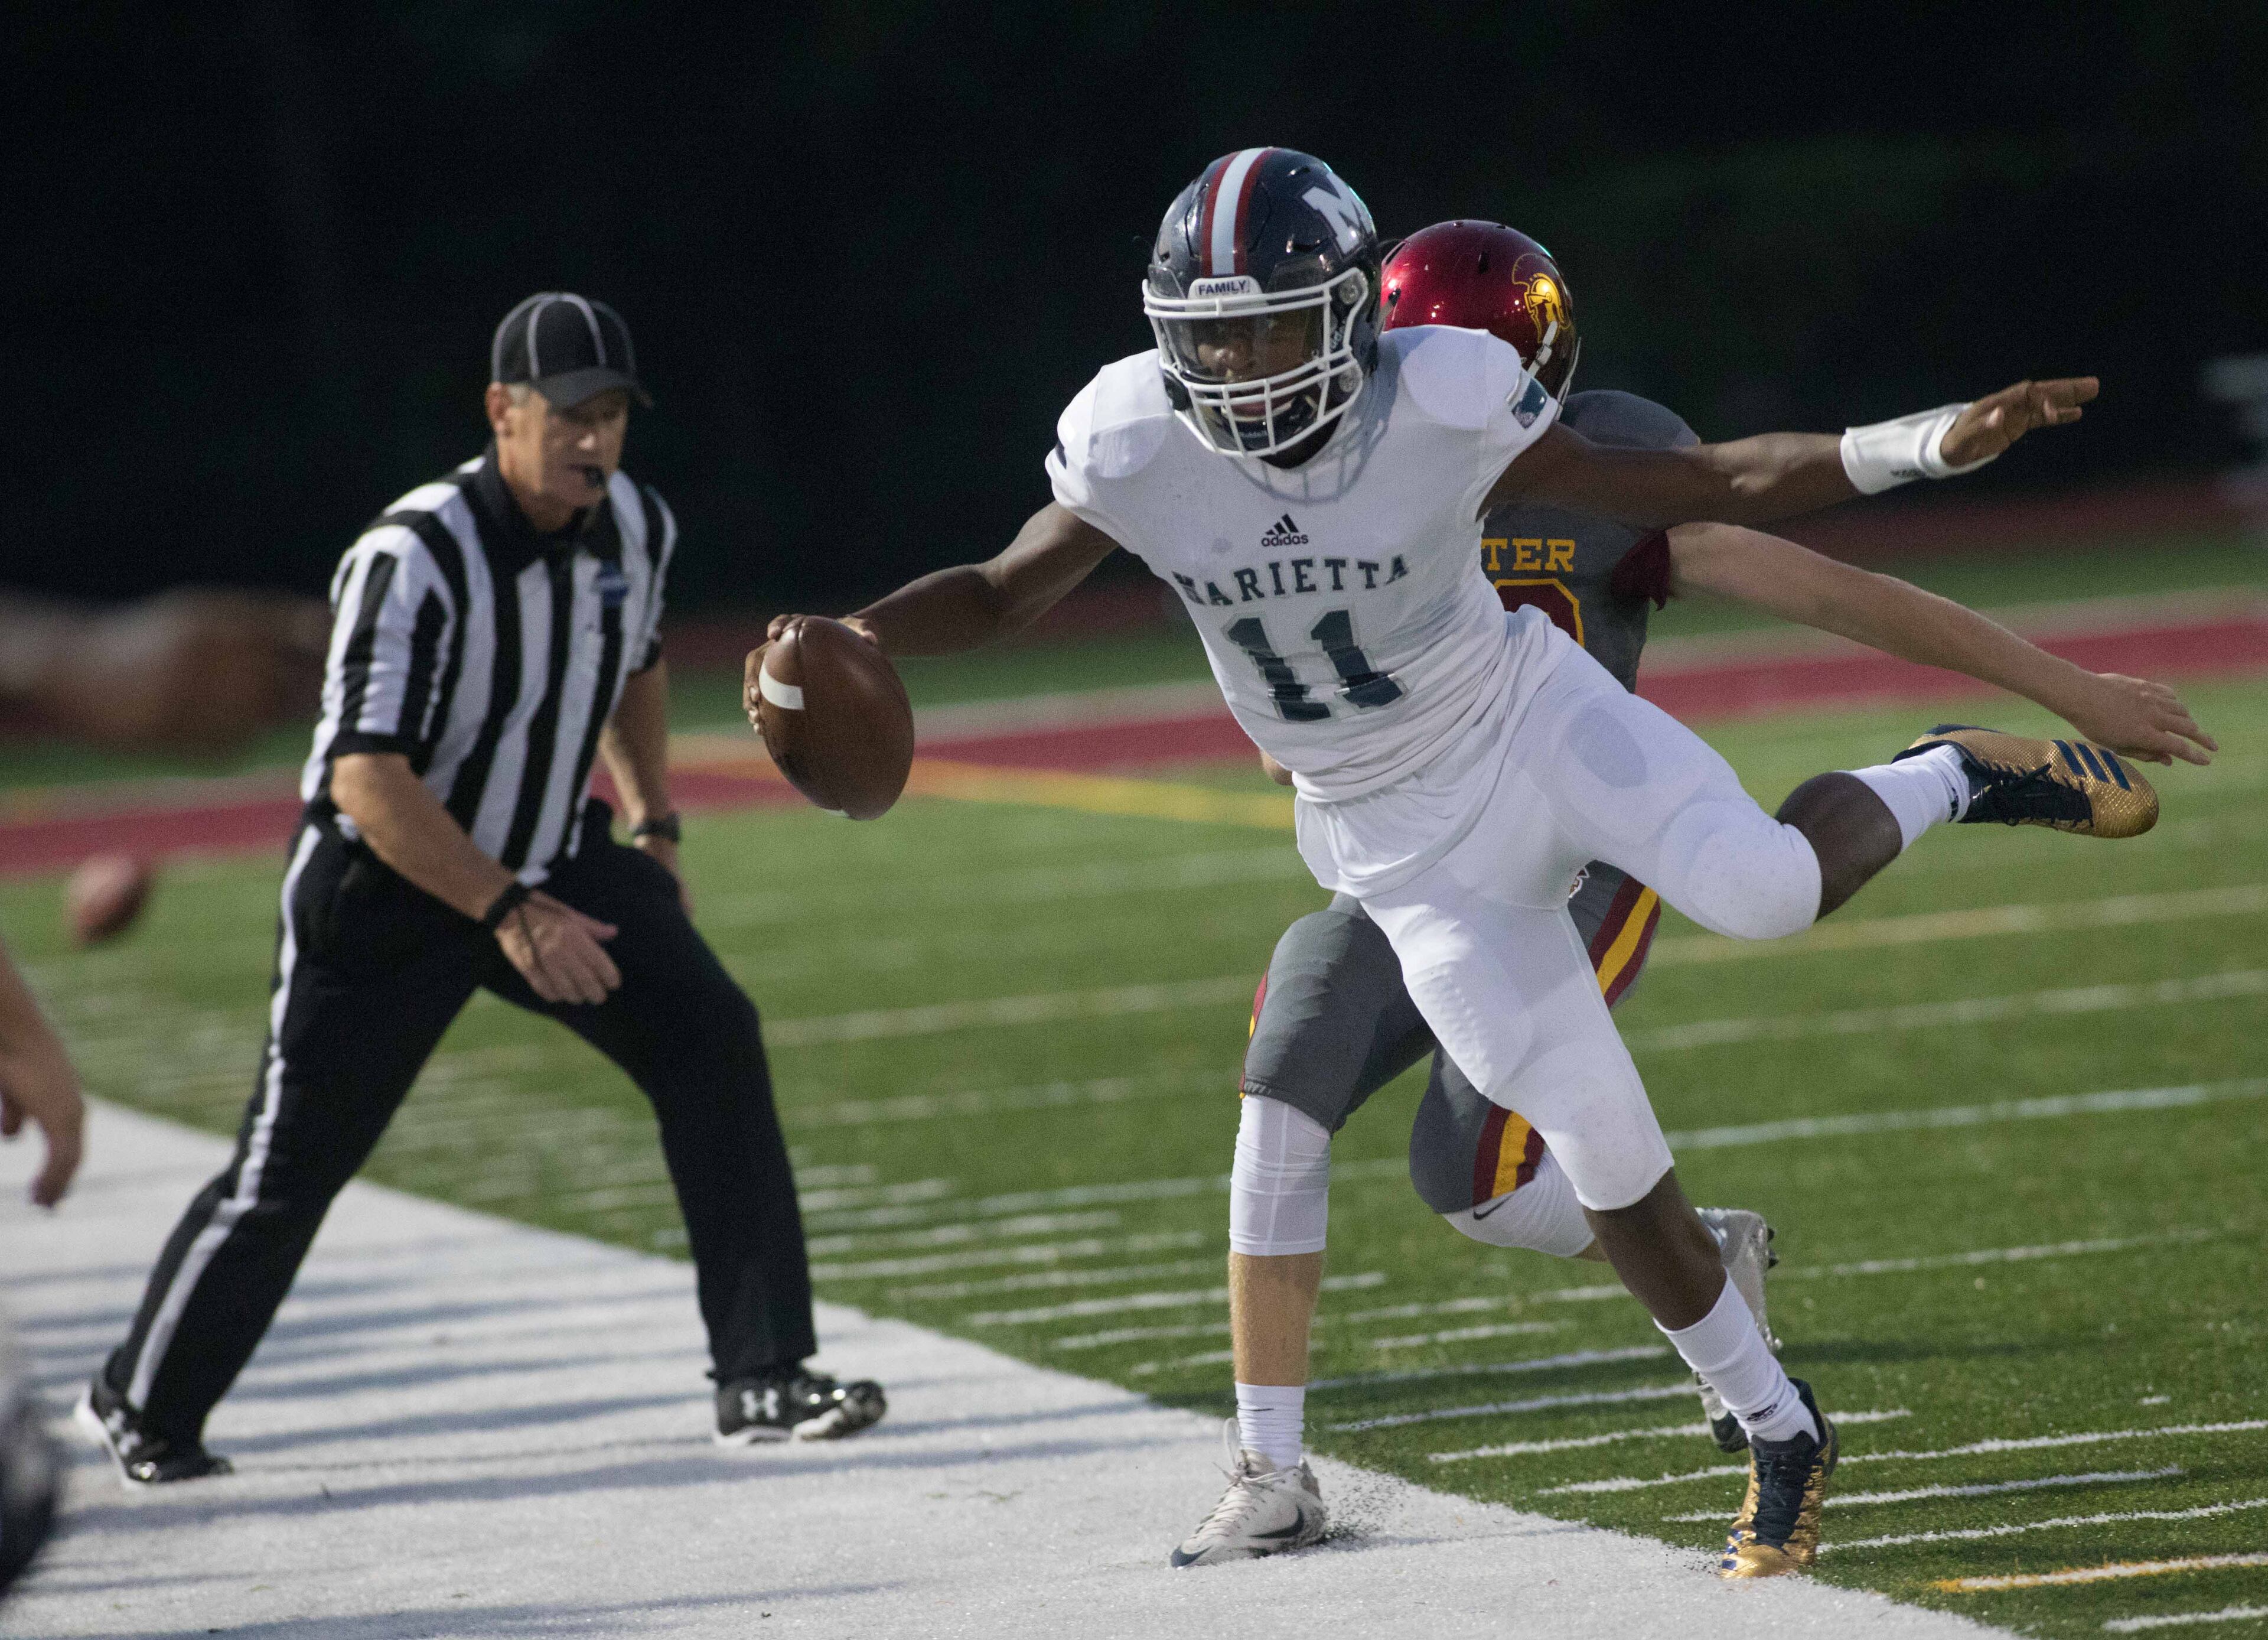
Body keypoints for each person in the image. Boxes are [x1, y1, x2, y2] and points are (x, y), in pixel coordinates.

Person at [754, 148, 2185, 1577]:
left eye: (1270, 326)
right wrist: (860, 640)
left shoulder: (1440, 391)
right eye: (1214, 336)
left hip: (1538, 722)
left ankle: (1949, 770)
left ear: (1348, 315)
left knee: (1767, 890)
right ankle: (1780, 1424)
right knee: (1600, 1148)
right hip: (1401, 846)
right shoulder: (1134, 438)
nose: (1244, 366)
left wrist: (1923, 443)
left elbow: (1707, 480)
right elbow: (1004, 590)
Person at [1196, 221, 2217, 1567]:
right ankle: (1270, 1467)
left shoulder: (1599, 467)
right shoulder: (1328, 477)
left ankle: (1950, 771)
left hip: (1580, 838)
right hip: (1401, 859)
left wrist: (2065, 685)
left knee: (1729, 934)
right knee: (1393, 1142)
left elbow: (1828, 587)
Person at [79, 292, 884, 1489]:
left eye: (611, 414)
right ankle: (141, 1398)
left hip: (557, 849)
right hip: (389, 882)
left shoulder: (635, 527)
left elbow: (640, 663)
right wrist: (507, 908)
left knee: (712, 1037)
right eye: (569, 414)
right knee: (289, 1165)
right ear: (503, 412)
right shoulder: (413, 554)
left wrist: (653, 818)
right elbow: (362, 774)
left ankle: (761, 1371)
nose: (593, 439)